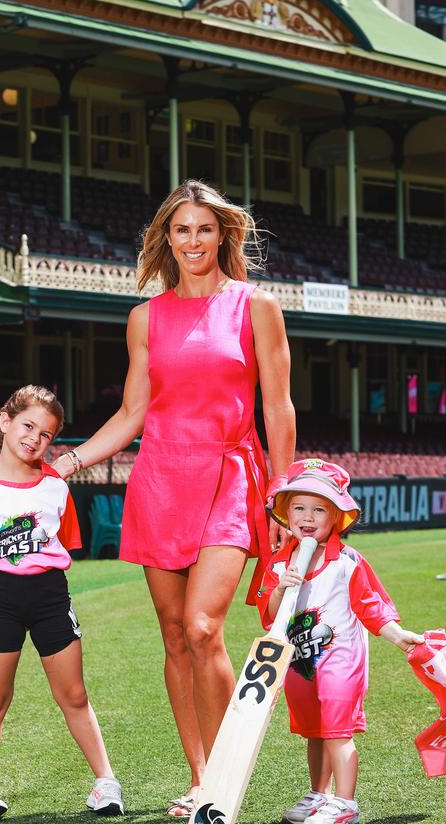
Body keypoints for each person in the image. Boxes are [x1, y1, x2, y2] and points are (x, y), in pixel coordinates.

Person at [51, 179, 296, 816]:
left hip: (229, 476)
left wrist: (284, 497)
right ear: (167, 239)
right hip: (159, 479)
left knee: (204, 625)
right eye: (181, 230)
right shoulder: (144, 318)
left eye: (204, 229)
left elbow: (278, 406)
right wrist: (68, 462)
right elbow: (134, 412)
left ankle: (221, 781)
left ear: (224, 236)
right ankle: (198, 777)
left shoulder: (255, 306)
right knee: (173, 635)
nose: (193, 241)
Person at [0, 385, 124, 823]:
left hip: (49, 596)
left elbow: (64, 543)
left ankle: (105, 781)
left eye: (46, 434)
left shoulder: (55, 488)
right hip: (0, 599)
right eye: (28, 426)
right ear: (6, 422)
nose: (34, 438)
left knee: (74, 694)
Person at [257, 458, 425, 824]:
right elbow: (269, 615)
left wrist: (398, 636)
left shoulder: (348, 562)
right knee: (314, 730)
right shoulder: (276, 564)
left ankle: (345, 804)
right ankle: (319, 795)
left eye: (319, 509)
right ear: (286, 513)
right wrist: (280, 587)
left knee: (336, 728)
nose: (308, 516)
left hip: (340, 658)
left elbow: (371, 606)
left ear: (336, 517)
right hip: (300, 661)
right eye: (299, 507)